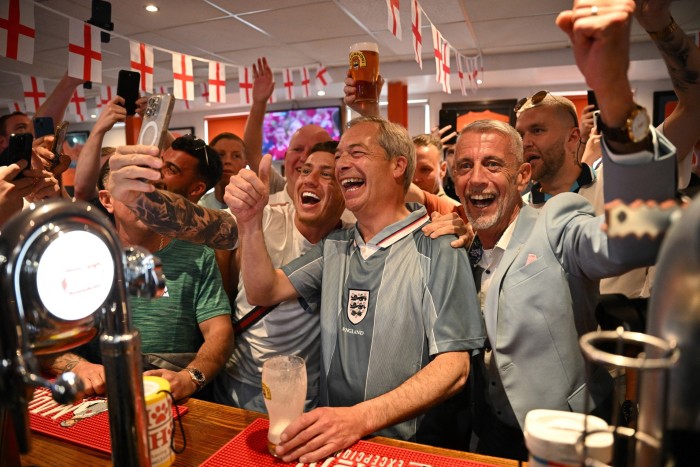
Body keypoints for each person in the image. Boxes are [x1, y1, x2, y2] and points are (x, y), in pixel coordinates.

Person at [446, 0, 677, 460]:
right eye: (464, 166)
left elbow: (636, 238)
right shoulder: (456, 242)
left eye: (493, 164)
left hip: (564, 433)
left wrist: (611, 88)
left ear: (522, 177)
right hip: (484, 433)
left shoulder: (558, 219)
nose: (476, 178)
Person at [226, 115, 485, 463]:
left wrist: (359, 418)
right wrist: (249, 222)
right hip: (331, 440)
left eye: (357, 152)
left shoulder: (438, 244)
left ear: (398, 166)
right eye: (340, 156)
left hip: (402, 448)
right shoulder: (336, 245)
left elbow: (455, 368)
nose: (342, 162)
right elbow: (263, 291)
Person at [40, 159, 233, 401]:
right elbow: (45, 341)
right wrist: (79, 366)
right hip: (99, 396)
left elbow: (220, 332)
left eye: (156, 188)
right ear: (107, 200)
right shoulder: (81, 257)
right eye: (133, 189)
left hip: (173, 397)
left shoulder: (196, 255)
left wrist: (190, 377)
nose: (148, 199)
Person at [212, 141, 347, 413]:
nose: (309, 179)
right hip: (234, 383)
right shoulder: (263, 217)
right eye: (304, 170)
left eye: (326, 174)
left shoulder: (350, 244)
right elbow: (198, 222)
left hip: (299, 396)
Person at [242, 58, 333, 205]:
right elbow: (251, 152)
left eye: (315, 150)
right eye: (297, 149)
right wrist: (259, 102)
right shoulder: (268, 207)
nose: (304, 157)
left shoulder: (348, 211)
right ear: (285, 157)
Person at [199, 132, 248, 210]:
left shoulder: (253, 207)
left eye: (236, 156)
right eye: (220, 155)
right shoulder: (199, 209)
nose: (228, 161)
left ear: (244, 164)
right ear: (210, 162)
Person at [412, 133, 460, 205]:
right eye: (410, 169)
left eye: (425, 170)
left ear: (442, 169)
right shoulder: (394, 210)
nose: (415, 179)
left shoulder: (456, 212)